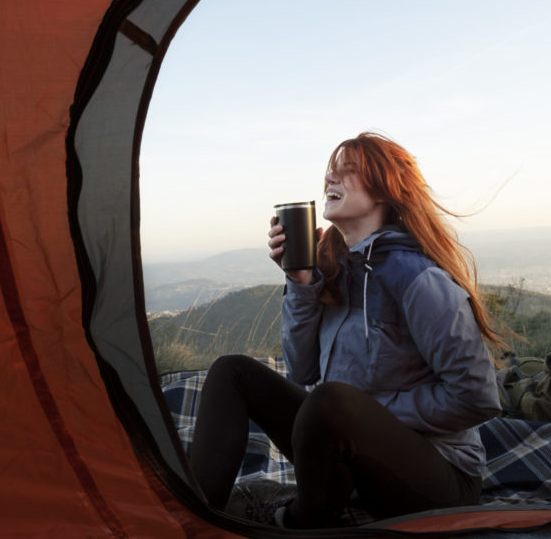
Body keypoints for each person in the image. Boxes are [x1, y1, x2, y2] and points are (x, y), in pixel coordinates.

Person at [189, 132, 509, 528]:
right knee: (232, 372)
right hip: (347, 452)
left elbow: (477, 399)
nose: (329, 181)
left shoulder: (419, 281)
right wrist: (301, 282)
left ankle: (299, 520)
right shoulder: (337, 268)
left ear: (385, 190)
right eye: (328, 174)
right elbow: (302, 372)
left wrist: (371, 415)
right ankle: (192, 515)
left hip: (437, 481)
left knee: (330, 403)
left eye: (347, 171)